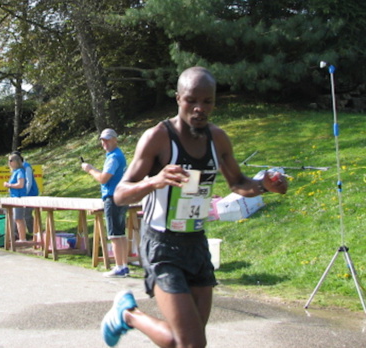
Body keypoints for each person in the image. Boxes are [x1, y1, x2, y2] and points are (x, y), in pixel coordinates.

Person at [100, 67, 288, 347]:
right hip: (161, 245)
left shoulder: (218, 138)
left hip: (196, 244)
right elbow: (120, 194)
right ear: (178, 98)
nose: (200, 108)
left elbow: (237, 182)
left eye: (207, 101)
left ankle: (127, 314)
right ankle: (128, 315)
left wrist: (263, 186)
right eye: (191, 100)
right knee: (188, 343)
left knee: (192, 342)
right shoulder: (158, 137)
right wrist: (154, 180)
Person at [81, 128, 129, 278]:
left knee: (114, 234)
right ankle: (124, 266)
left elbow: (103, 178)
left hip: (113, 198)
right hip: (121, 196)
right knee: (120, 233)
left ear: (115, 140)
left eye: (107, 139)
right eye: (102, 140)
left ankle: (119, 266)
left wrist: (89, 169)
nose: (104, 143)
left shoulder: (114, 157)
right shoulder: (117, 155)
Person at [12, 151, 39, 233]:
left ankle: (33, 233)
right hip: (20, 195)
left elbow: (29, 182)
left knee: (27, 215)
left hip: (30, 193)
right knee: (17, 215)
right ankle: (17, 234)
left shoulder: (26, 167)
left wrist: (25, 193)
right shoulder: (16, 169)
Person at [3, 153, 28, 242]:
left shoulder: (20, 171)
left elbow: (20, 185)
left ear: (16, 161)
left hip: (19, 198)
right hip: (14, 197)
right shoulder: (14, 172)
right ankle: (18, 237)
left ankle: (23, 238)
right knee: (16, 218)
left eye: (11, 161)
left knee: (19, 218)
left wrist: (9, 185)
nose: (9, 163)